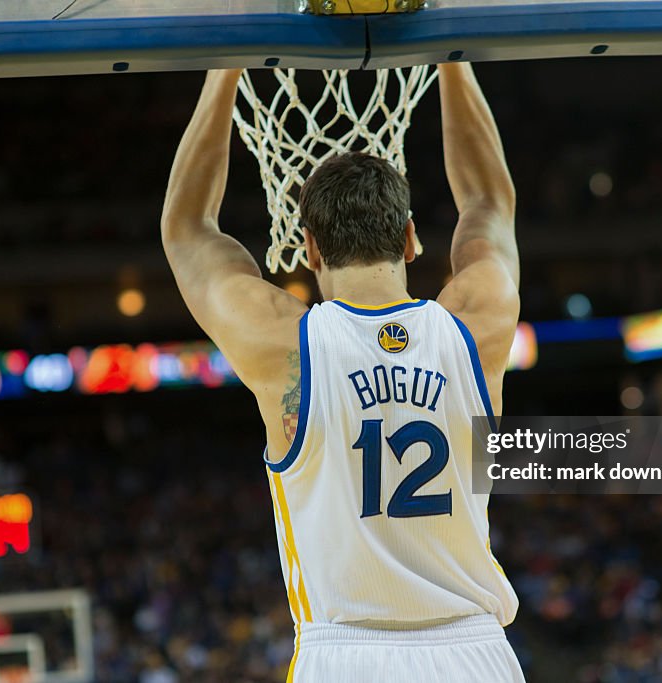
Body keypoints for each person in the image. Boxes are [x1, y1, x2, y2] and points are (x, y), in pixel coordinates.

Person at [161, 62, 523, 682]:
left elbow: (187, 228)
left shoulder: (285, 343)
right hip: (477, 652)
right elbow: (488, 201)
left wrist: (225, 70)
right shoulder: (477, 321)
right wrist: (453, 59)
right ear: (411, 240)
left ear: (310, 248)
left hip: (347, 653)